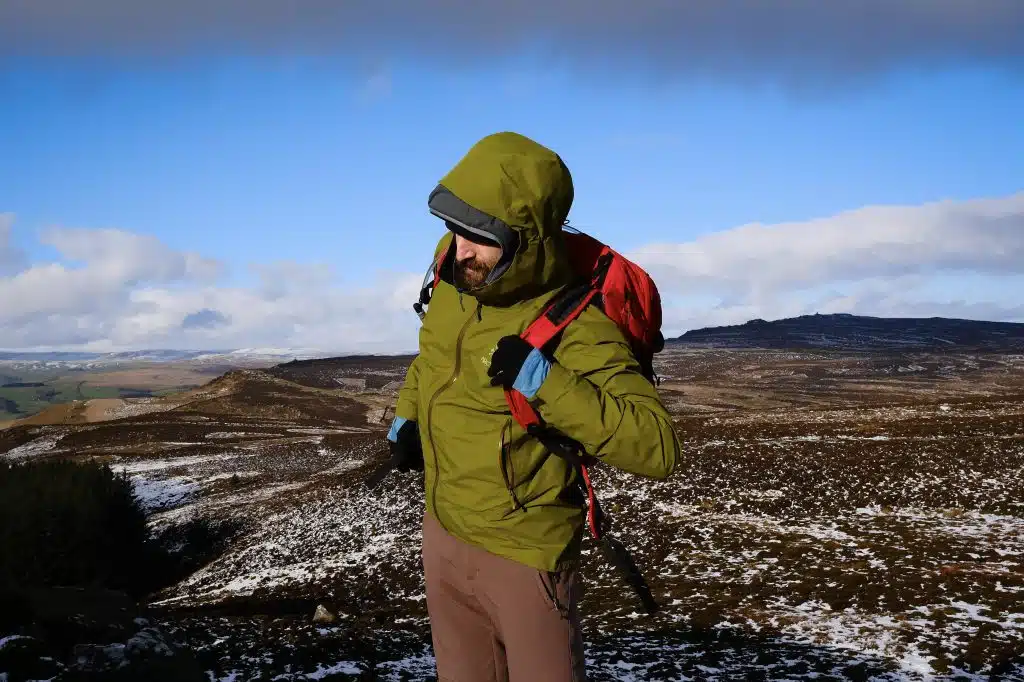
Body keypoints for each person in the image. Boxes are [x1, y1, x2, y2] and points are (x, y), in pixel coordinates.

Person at [385, 131, 680, 682]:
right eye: (453, 227)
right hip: (443, 534)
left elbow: (656, 446)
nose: (459, 248)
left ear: (526, 239)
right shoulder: (455, 273)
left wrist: (545, 381)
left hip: (525, 557)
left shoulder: (578, 324)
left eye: (480, 236)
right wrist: (409, 415)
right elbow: (433, 354)